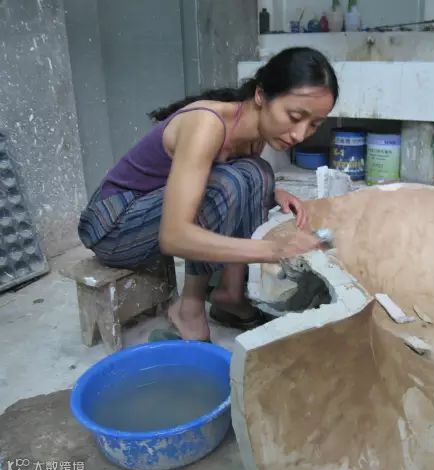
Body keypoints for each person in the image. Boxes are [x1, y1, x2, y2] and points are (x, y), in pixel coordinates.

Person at [77, 47, 339, 341]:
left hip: (146, 212)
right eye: (294, 116)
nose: (300, 134)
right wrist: (274, 249)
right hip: (111, 225)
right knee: (228, 182)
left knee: (259, 173)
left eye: (314, 124)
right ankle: (188, 308)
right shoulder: (207, 125)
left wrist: (273, 192)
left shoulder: (254, 134)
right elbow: (174, 236)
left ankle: (230, 294)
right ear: (261, 95)